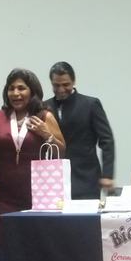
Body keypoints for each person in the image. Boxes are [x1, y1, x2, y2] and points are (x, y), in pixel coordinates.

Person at [0, 68, 65, 215]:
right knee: (4, 229)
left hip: (37, 192)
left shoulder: (44, 116)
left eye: (21, 88)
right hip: (3, 193)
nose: (15, 93)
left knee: (34, 230)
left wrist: (46, 134)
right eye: (11, 89)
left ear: (32, 92)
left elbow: (61, 151)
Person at [44, 61, 115, 199]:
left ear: (74, 81)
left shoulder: (90, 104)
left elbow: (106, 140)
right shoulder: (45, 107)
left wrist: (107, 175)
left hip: (86, 178)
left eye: (66, 84)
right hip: (54, 178)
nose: (61, 89)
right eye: (56, 85)